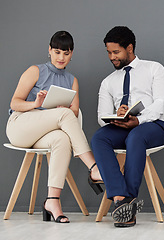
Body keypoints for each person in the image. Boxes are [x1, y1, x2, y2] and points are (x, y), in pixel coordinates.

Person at [6, 31, 103, 223]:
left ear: (72, 54)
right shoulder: (35, 70)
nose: (61, 57)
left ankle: (52, 201)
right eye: (57, 52)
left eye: (66, 53)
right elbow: (14, 103)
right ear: (49, 50)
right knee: (64, 116)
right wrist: (36, 104)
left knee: (63, 139)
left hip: (46, 133)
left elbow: (74, 112)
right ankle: (94, 167)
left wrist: (61, 108)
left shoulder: (72, 80)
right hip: (20, 127)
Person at [91, 26, 164, 227]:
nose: (112, 57)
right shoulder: (108, 82)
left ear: (130, 48)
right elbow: (102, 116)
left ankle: (128, 200)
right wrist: (116, 116)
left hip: (152, 126)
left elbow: (162, 103)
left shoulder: (154, 69)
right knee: (99, 138)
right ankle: (121, 200)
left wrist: (139, 120)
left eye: (116, 52)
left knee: (135, 137)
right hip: (122, 126)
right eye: (109, 53)